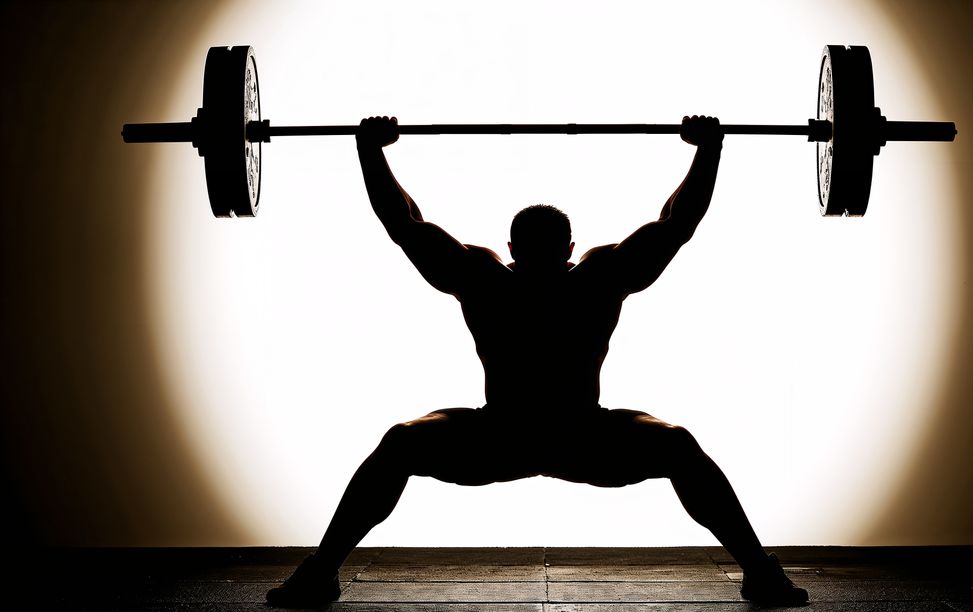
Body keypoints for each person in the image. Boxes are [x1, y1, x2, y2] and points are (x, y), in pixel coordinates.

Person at [267, 115, 808, 607]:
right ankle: (760, 571)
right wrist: (707, 149)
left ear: (510, 246)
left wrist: (371, 150)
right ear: (571, 247)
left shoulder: (483, 278)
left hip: (502, 438)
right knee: (675, 445)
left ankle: (321, 571)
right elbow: (676, 224)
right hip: (580, 438)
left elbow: (404, 224)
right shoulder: (598, 277)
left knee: (403, 442)